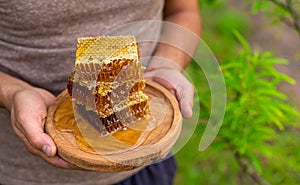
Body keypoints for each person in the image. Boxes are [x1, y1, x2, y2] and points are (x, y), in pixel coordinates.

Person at [0, 0, 201, 184]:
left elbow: (183, 11)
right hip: (23, 171)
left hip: (141, 160)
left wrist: (169, 64)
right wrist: (12, 92)